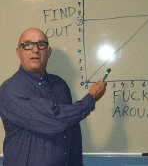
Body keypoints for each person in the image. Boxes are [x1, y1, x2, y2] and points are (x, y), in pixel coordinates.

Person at [0, 27, 107, 166]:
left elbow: (72, 132)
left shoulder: (60, 84)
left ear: (48, 52)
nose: (35, 50)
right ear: (18, 52)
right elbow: (55, 120)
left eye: (41, 44)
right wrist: (90, 98)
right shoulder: (9, 91)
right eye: (28, 45)